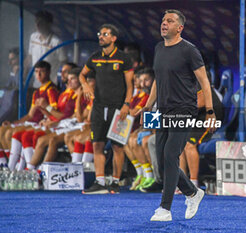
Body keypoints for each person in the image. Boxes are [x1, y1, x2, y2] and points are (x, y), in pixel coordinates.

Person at [141, 9, 217, 221]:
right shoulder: (158, 48)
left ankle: (165, 209)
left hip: (184, 110)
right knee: (164, 162)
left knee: (170, 154)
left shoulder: (189, 51)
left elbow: (204, 83)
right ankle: (193, 193)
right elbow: (158, 78)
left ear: (179, 28)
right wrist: (148, 106)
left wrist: (210, 111)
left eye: (170, 21)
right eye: (163, 20)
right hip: (161, 111)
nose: (164, 23)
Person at [79, 24, 134, 194]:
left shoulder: (124, 59)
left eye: (105, 34)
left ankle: (115, 182)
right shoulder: (94, 57)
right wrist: (85, 85)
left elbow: (130, 86)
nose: (101, 37)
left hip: (118, 109)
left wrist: (126, 105)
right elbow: (82, 75)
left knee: (118, 147)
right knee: (97, 145)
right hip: (98, 108)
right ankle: (100, 181)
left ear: (113, 38)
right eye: (99, 33)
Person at [26, 10, 67, 88]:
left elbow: (64, 62)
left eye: (41, 22)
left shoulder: (56, 42)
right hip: (36, 84)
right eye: (36, 22)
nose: (37, 25)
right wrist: (24, 73)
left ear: (49, 24)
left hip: (51, 85)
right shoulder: (33, 37)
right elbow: (29, 57)